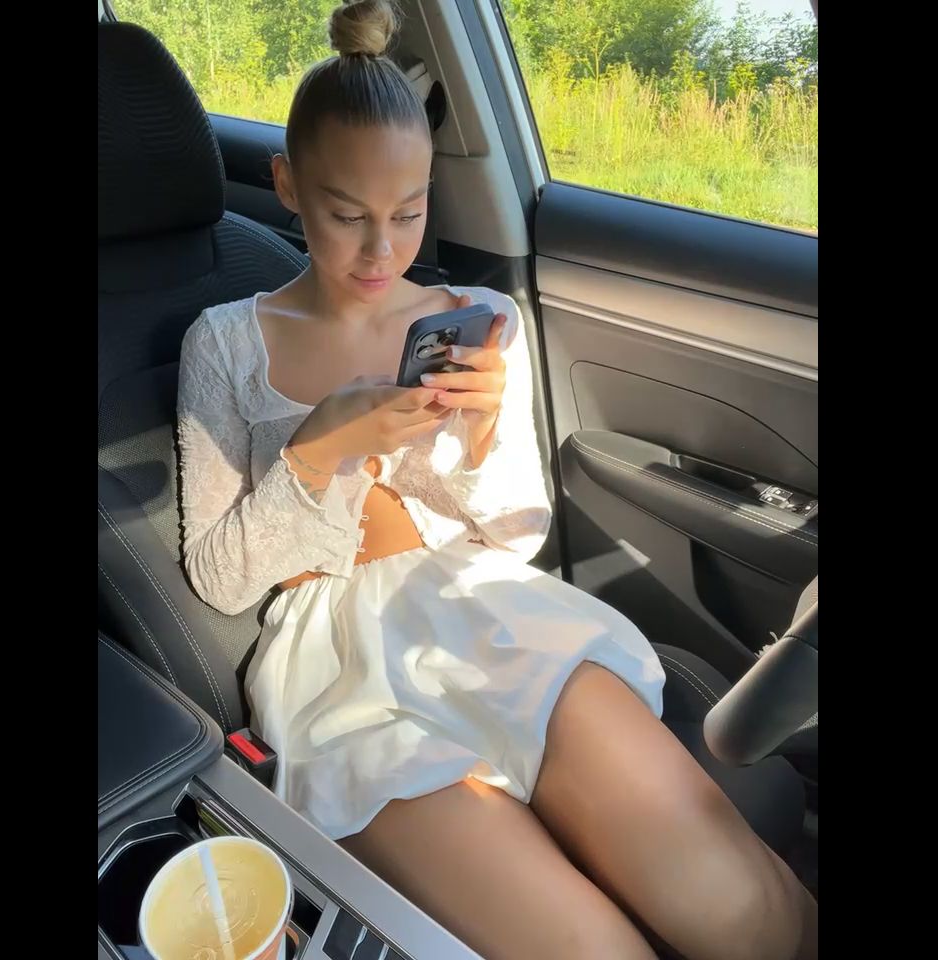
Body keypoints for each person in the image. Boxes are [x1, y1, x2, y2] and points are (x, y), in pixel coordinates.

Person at [176, 2, 817, 956]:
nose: (381, 250)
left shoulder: (470, 317)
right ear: (287, 186)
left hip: (485, 607)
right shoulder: (226, 343)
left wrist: (477, 435)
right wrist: (316, 452)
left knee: (739, 908)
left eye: (408, 213)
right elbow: (219, 577)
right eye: (347, 216)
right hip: (338, 668)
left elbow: (515, 534)